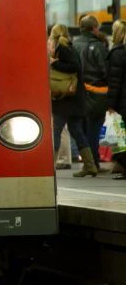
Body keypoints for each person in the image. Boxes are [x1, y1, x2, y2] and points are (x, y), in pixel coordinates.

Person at [50, 24, 96, 176]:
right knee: (76, 131)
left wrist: (54, 63)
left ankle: (50, 166)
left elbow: (74, 66)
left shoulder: (63, 48)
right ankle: (90, 165)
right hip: (74, 99)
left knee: (56, 130)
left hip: (66, 99)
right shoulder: (70, 46)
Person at [74, 15, 110, 172]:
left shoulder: (74, 44)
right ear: (95, 28)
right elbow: (105, 70)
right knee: (94, 128)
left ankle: (88, 162)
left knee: (82, 127)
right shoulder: (98, 46)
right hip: (97, 92)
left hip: (79, 92)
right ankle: (94, 162)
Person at [106, 20, 126, 180]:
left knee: (119, 137)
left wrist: (111, 105)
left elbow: (114, 82)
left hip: (121, 103)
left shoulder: (117, 53)